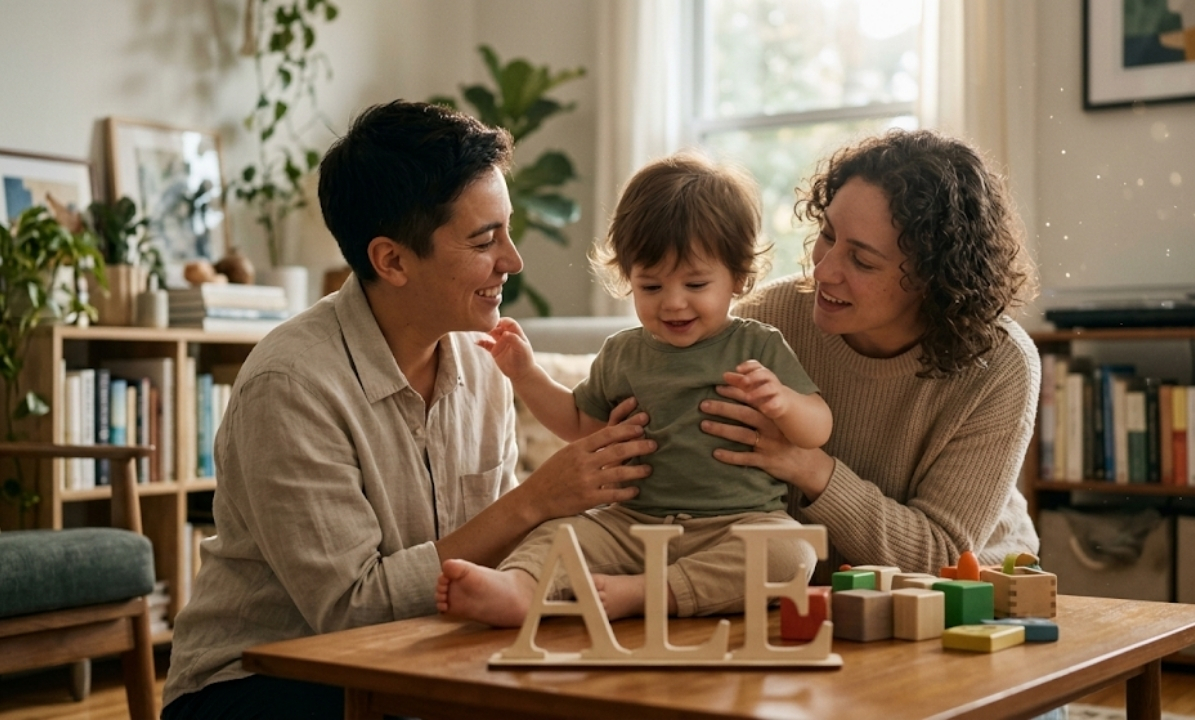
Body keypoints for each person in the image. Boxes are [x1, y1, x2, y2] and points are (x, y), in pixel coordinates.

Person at [160, 101, 656, 720]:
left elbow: (499, 560)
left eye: (507, 229)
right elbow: (351, 610)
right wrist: (536, 499)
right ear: (391, 260)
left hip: (419, 657)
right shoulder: (290, 385)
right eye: (485, 240)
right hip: (258, 680)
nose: (513, 260)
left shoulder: (483, 362)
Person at [436, 152, 833, 626]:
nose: (674, 303)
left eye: (696, 283)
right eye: (650, 286)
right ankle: (520, 588)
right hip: (632, 524)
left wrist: (784, 403)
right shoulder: (623, 354)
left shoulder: (757, 344)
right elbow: (581, 424)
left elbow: (818, 428)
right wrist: (526, 375)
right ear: (627, 278)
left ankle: (650, 593)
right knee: (561, 533)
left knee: (791, 554)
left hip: (735, 525)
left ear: (739, 277)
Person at [700, 128, 1041, 583]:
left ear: (933, 280)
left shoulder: (999, 364)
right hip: (806, 589)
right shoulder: (768, 319)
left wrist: (809, 466)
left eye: (862, 261)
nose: (822, 270)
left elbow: (941, 557)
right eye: (827, 234)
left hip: (972, 593)